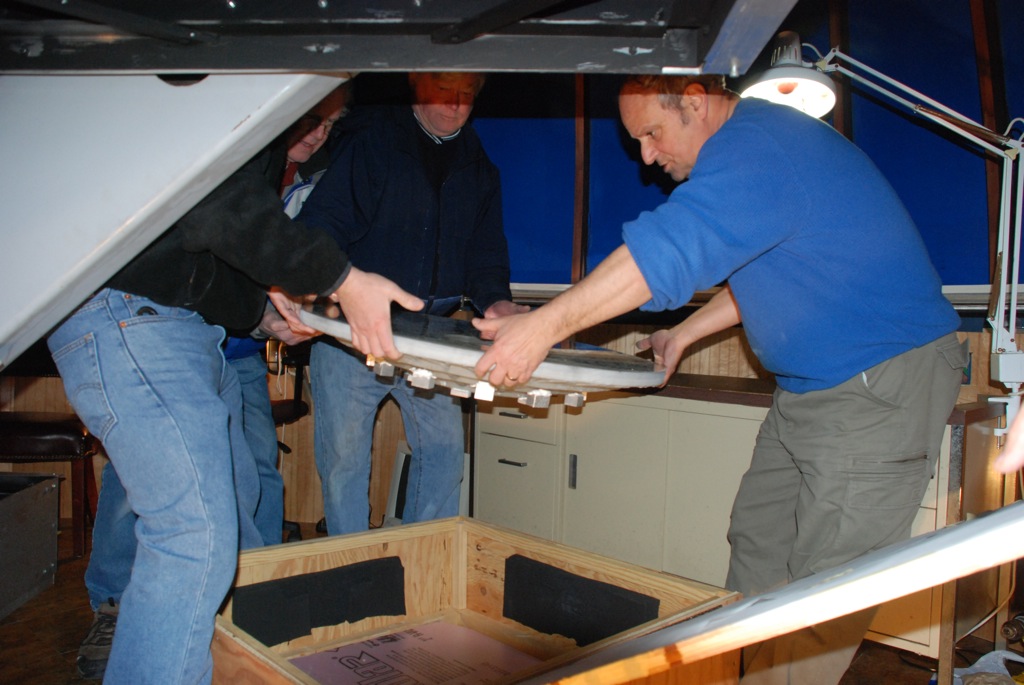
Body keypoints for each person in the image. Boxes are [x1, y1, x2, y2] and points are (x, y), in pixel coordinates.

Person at [471, 74, 968, 685]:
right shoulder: (757, 152)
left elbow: (664, 252)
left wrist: (544, 326)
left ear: (695, 101)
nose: (646, 156)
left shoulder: (759, 145)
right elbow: (764, 267)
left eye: (652, 133)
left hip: (879, 383)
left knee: (824, 592)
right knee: (757, 538)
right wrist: (684, 334)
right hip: (811, 389)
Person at [48, 83, 422, 683]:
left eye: (330, 122)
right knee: (193, 532)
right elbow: (212, 206)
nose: (318, 130)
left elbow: (193, 256)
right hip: (129, 315)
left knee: (240, 508)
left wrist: (261, 316)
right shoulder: (234, 98)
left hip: (185, 325)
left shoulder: (266, 149)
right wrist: (343, 279)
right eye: (312, 114)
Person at [297, 71, 527, 535]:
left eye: (466, 96)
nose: (456, 105)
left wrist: (497, 302)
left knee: (445, 452)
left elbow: (486, 253)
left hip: (429, 337)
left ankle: (424, 558)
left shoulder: (479, 165)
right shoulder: (373, 141)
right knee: (344, 463)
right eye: (445, 92)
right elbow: (323, 225)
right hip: (350, 332)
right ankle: (354, 561)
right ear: (418, 86)